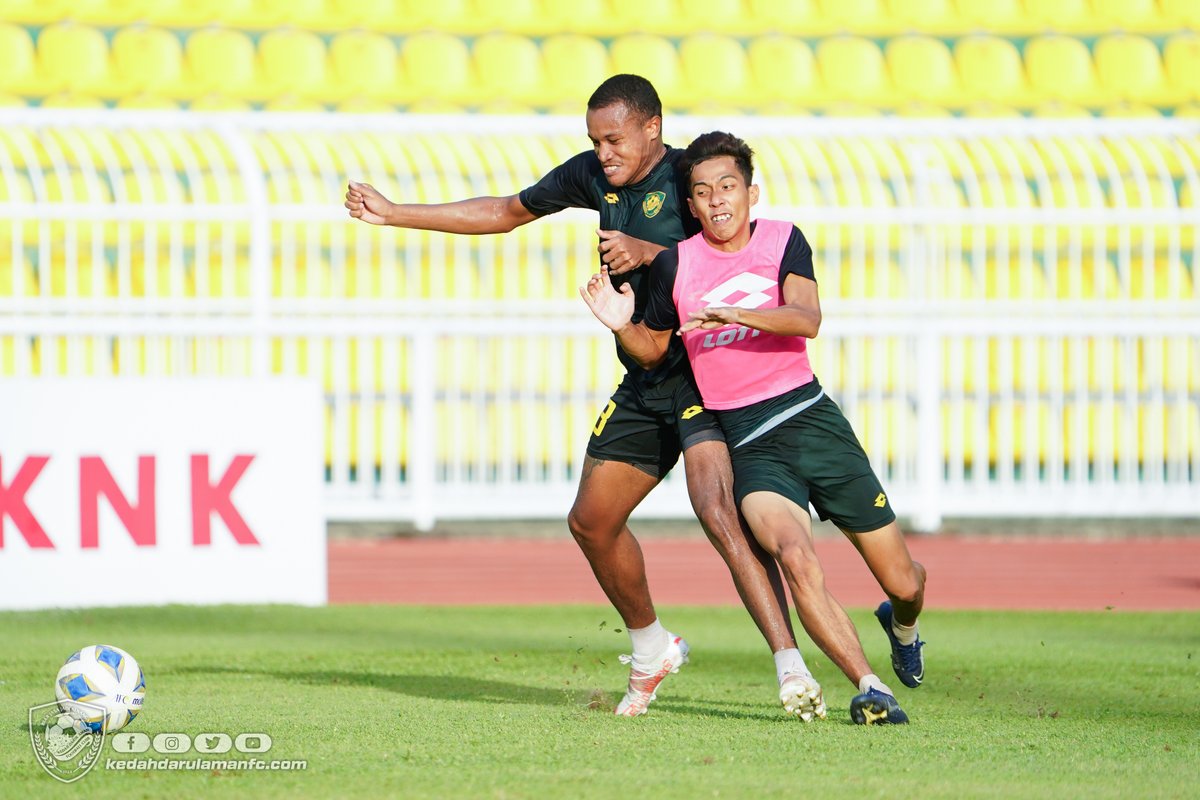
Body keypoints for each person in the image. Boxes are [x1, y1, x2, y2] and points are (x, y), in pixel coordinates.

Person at [345, 75, 821, 719]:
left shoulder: (691, 177)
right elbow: (506, 212)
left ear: (652, 128)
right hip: (644, 368)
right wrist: (397, 212)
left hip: (704, 375)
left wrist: (649, 251)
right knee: (590, 522)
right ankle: (653, 647)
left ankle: (790, 668)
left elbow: (730, 253)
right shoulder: (595, 175)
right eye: (594, 140)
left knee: (717, 511)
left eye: (614, 139)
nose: (603, 152)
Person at [580, 130, 928, 725]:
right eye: (703, 191)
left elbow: (807, 319)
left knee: (904, 579)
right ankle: (871, 688)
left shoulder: (783, 239)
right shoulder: (675, 265)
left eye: (728, 187)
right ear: (690, 206)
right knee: (794, 556)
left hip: (811, 420)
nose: (717, 200)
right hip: (751, 443)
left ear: (750, 193)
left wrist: (736, 312)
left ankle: (902, 623)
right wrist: (620, 325)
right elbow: (653, 350)